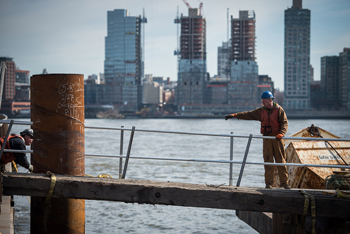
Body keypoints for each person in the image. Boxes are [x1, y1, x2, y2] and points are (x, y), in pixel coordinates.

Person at [225, 91, 291, 189]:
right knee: (267, 161)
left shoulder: (279, 110)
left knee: (281, 161)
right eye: (262, 101)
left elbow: (284, 123)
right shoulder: (261, 111)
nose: (262, 102)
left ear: (270, 100)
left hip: (277, 139)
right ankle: (269, 183)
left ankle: (285, 183)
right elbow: (248, 114)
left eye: (264, 100)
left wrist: (282, 133)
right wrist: (235, 115)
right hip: (266, 139)